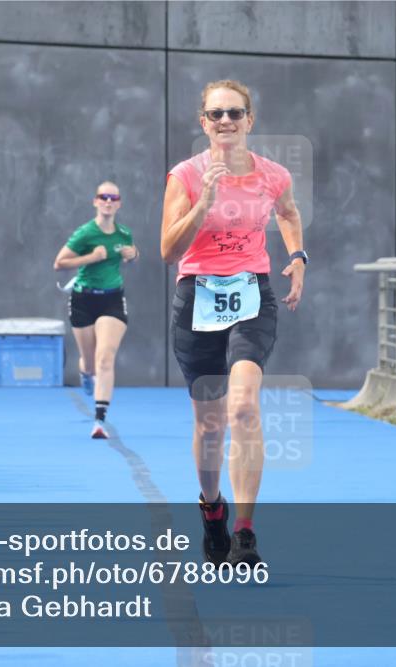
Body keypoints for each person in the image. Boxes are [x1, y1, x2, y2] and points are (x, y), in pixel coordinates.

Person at [160, 80, 307, 566]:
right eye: (216, 114)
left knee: (243, 407)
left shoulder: (274, 175)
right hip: (197, 298)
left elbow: (288, 213)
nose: (226, 121)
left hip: (251, 295)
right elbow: (168, 251)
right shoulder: (185, 175)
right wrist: (203, 202)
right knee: (210, 425)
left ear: (250, 120)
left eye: (235, 113)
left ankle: (245, 530)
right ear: (203, 122)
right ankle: (212, 509)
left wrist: (298, 256)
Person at [54, 181, 138, 439]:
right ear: (95, 201)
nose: (108, 201)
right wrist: (91, 257)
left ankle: (100, 420)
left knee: (105, 358)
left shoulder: (123, 233)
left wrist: (133, 254)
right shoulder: (85, 233)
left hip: (112, 299)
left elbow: (131, 255)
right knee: (90, 363)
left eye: (113, 198)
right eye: (104, 197)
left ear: (119, 204)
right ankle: (85, 373)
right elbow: (59, 262)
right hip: (83, 298)